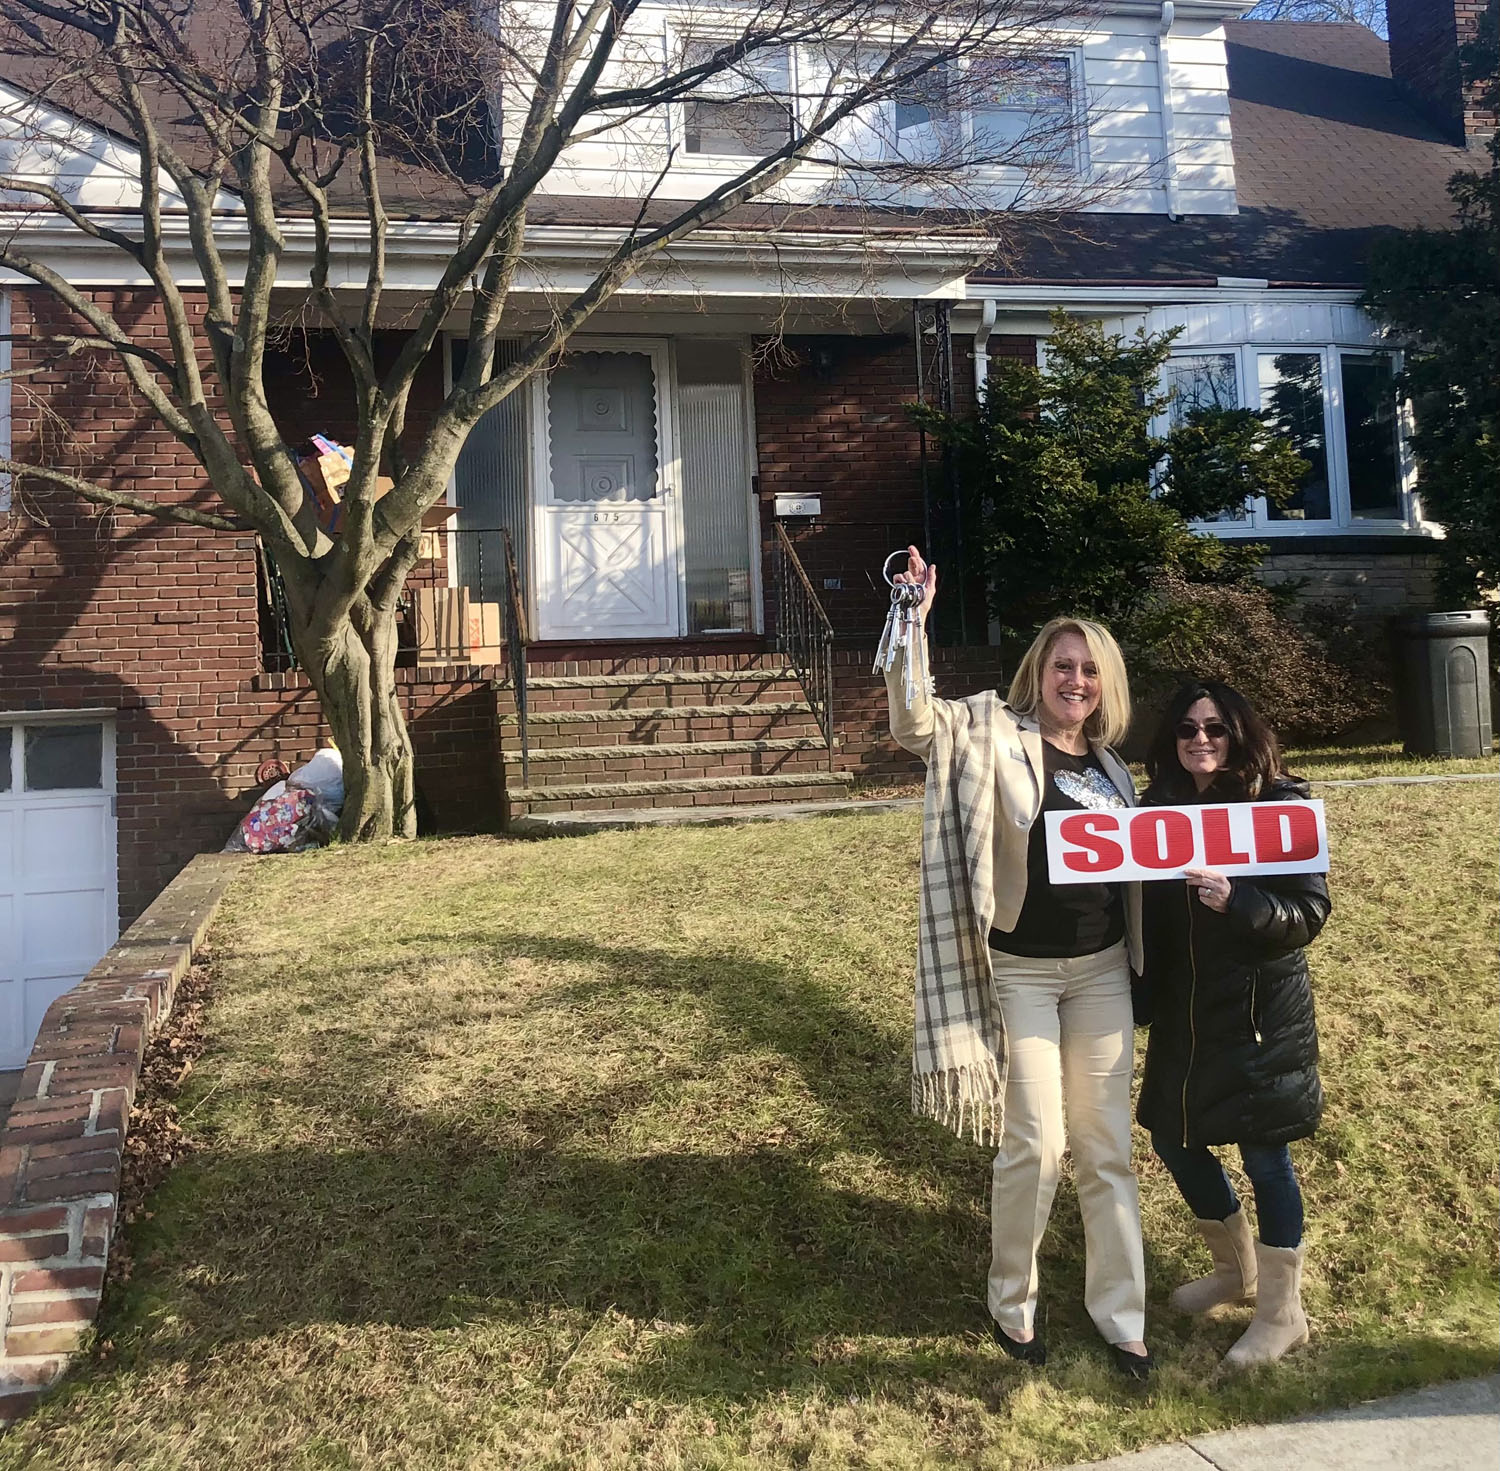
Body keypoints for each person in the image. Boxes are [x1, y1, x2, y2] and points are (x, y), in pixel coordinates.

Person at [885, 547, 1151, 1381]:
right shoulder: (989, 728)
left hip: (1103, 970)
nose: (1075, 680)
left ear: (1104, 685)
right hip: (1022, 973)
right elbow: (912, 723)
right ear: (1040, 671)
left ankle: (1124, 1318)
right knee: (1034, 1145)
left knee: (1106, 1147)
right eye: (1062, 665)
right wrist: (914, 619)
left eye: (1089, 670)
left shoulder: (1113, 769)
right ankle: (1013, 1302)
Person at [1136, 680, 1330, 1369]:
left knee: (1265, 1159)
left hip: (1258, 1020)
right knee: (1172, 1136)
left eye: (1215, 729)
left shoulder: (1281, 803)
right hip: (1186, 1015)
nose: (1200, 741)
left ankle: (1283, 1312)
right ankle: (1236, 1270)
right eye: (1187, 729)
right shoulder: (1153, 809)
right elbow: (1145, 919)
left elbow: (1307, 913)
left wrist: (1240, 901)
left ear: (1239, 732)